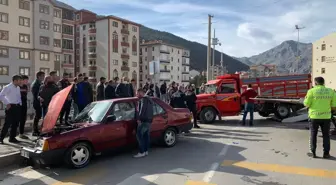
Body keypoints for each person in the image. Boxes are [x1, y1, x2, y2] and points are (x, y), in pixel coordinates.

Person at [304, 77, 336, 159]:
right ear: (323, 83)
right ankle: (326, 154)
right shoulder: (331, 91)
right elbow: (334, 106)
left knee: (313, 134)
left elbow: (306, 104)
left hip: (314, 117)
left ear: (315, 83)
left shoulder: (311, 91)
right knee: (326, 135)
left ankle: (313, 152)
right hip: (326, 117)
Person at [0, 75, 22, 144]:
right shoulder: (7, 87)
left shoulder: (18, 87)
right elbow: (1, 95)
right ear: (15, 81)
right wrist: (7, 103)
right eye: (19, 80)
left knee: (15, 123)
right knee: (7, 123)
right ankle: (1, 138)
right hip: (11, 107)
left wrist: (20, 104)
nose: (20, 82)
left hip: (17, 107)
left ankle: (12, 138)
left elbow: (18, 97)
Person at [134, 88, 153, 158]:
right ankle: (145, 151)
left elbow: (142, 110)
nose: (136, 95)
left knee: (139, 135)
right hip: (149, 120)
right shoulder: (149, 99)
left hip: (144, 121)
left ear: (140, 93)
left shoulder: (143, 100)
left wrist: (139, 119)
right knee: (146, 136)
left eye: (137, 93)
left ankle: (141, 152)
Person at [31, 71, 45, 136]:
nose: (43, 77)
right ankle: (34, 131)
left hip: (39, 102)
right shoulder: (36, 84)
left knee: (38, 116)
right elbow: (36, 94)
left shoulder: (40, 83)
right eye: (42, 76)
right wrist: (39, 99)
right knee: (37, 116)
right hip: (37, 102)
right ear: (39, 76)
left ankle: (36, 130)